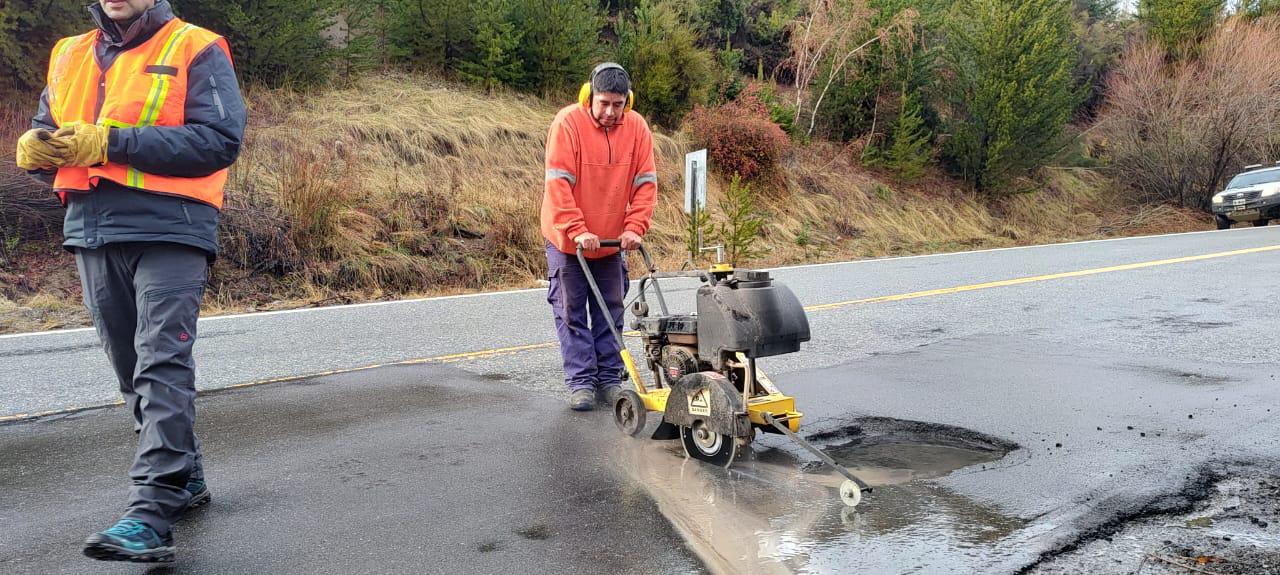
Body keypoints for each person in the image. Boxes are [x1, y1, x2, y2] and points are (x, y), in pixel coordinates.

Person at [15, 0, 246, 563]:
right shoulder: (68, 53)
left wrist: (111, 141)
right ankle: (184, 476)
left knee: (159, 361)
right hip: (92, 228)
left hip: (173, 226)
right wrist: (39, 147)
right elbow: (55, 129)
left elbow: (218, 140)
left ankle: (150, 513)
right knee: (129, 367)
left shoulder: (195, 44)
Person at [540, 62, 658, 412]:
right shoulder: (567, 124)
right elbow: (558, 184)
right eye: (603, 103)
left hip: (610, 241)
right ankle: (581, 383)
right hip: (568, 241)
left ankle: (608, 379)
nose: (609, 112)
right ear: (588, 96)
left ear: (628, 102)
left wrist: (635, 227)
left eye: (617, 105)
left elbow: (645, 183)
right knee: (571, 310)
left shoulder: (636, 128)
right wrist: (578, 230)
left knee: (611, 310)